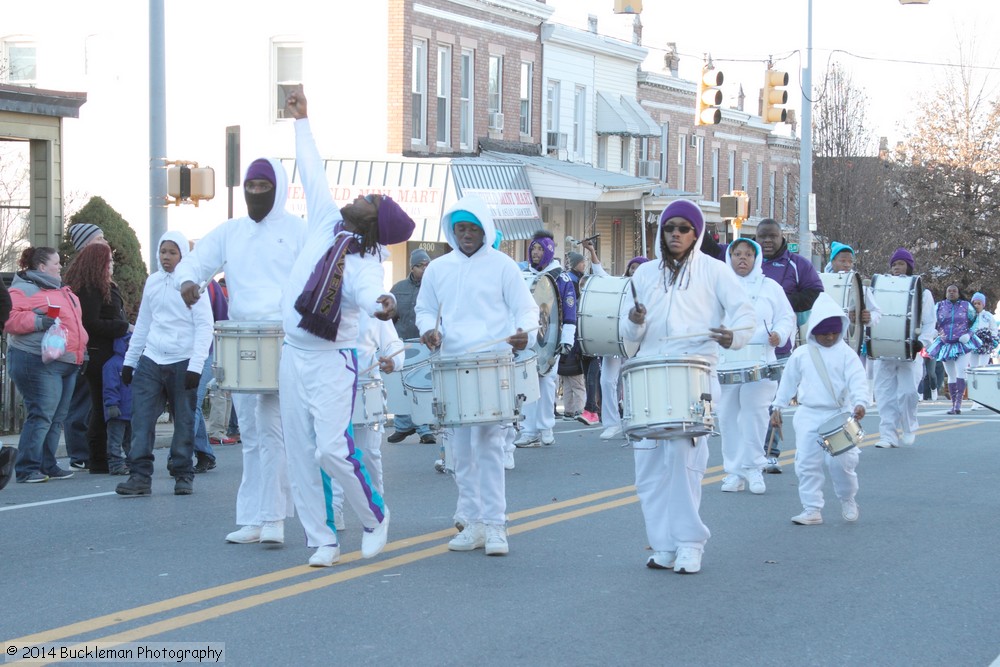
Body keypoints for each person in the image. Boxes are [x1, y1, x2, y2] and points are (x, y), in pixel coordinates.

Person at [281, 87, 412, 566]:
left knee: (332, 451)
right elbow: (311, 169)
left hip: (332, 360)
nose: (359, 197)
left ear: (374, 225)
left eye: (369, 200)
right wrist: (302, 121)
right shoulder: (324, 222)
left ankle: (375, 517)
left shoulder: (365, 264)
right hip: (291, 353)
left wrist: (384, 306)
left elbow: (372, 296)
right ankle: (323, 540)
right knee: (299, 452)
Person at [176, 155, 307, 544]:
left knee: (272, 431)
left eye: (263, 187)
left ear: (278, 189)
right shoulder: (230, 230)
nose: (255, 193)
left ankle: (274, 518)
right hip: (241, 341)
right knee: (251, 432)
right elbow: (196, 261)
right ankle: (254, 516)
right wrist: (188, 280)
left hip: (283, 340)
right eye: (250, 187)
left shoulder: (298, 230)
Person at [623, 200, 755, 574]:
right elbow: (626, 334)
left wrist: (734, 336)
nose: (675, 234)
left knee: (684, 462)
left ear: (696, 233)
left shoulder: (715, 272)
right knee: (648, 468)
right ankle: (663, 545)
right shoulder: (644, 275)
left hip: (693, 374)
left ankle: (689, 543)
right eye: (669, 228)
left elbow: (745, 315)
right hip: (647, 374)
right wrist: (633, 323)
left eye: (683, 228)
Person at [417, 195, 538, 556]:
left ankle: (496, 525)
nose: (467, 234)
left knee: (489, 447)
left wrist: (523, 334)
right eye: (460, 228)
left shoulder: (503, 266)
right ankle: (472, 522)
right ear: (452, 231)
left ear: (485, 230)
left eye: (473, 228)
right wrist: (428, 331)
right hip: (453, 365)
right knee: (461, 451)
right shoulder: (438, 269)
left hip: (492, 364)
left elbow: (527, 310)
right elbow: (425, 309)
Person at [116, 231, 213, 496]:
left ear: (182, 255)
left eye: (172, 252)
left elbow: (205, 326)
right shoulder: (153, 282)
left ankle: (183, 473)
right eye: (163, 252)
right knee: (141, 419)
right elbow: (144, 323)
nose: (166, 257)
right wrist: (130, 361)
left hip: (183, 359)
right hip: (152, 359)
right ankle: (139, 476)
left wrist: (195, 366)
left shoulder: (194, 286)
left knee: (183, 419)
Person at [770, 293, 868, 525]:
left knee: (842, 463)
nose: (830, 337)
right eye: (825, 333)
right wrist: (777, 406)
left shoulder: (847, 354)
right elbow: (788, 382)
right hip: (808, 414)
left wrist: (860, 403)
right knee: (806, 462)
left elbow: (857, 381)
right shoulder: (802, 354)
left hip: (839, 414)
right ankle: (811, 508)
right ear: (814, 330)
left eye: (834, 332)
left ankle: (847, 498)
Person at [717, 239, 795, 495]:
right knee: (728, 417)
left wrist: (780, 335)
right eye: (737, 253)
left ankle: (753, 468)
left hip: (761, 360)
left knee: (755, 416)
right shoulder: (718, 285)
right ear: (729, 257)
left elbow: (786, 316)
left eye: (748, 254)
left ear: (756, 258)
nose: (742, 258)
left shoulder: (770, 287)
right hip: (726, 361)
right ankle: (733, 472)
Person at [6, 247, 88, 483]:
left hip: (66, 362)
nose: (60, 267)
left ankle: (47, 464)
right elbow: (10, 319)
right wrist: (40, 321)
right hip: (35, 360)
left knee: (55, 417)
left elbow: (75, 326)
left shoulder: (62, 290)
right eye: (56, 262)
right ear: (42, 267)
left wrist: (81, 351)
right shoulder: (23, 288)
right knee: (42, 414)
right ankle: (27, 468)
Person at [755, 218, 824, 473]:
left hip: (780, 350)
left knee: (774, 402)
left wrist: (783, 303)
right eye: (762, 236)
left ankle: (770, 453)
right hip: (748, 350)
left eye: (772, 236)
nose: (767, 241)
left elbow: (815, 291)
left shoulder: (797, 265)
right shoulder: (747, 261)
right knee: (751, 407)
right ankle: (748, 454)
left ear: (782, 237)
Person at [332, 312, 405, 531]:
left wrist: (394, 359)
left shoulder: (372, 307)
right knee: (333, 451)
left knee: (369, 452)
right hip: (332, 385)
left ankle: (377, 508)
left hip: (367, 385)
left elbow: (391, 341)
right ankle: (334, 509)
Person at [64, 242, 131, 475]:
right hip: (98, 354)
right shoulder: (90, 288)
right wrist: (123, 327)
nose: (112, 264)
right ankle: (100, 458)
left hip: (108, 353)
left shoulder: (102, 286)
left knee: (103, 407)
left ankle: (102, 457)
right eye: (109, 261)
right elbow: (89, 323)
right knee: (103, 407)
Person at [515, 230, 576, 448]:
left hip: (552, 338)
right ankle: (529, 430)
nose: (536, 253)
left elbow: (569, 311)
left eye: (540, 249)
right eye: (533, 249)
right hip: (530, 339)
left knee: (548, 381)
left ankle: (546, 426)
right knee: (528, 383)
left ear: (549, 251)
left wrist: (567, 338)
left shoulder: (561, 277)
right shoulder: (523, 275)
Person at [872, 247, 936, 446]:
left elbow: (929, 322)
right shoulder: (880, 288)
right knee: (884, 395)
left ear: (909, 267)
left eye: (900, 264)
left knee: (908, 393)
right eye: (894, 265)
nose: (896, 268)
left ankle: (909, 427)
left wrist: (922, 342)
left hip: (910, 350)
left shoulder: (922, 293)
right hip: (884, 351)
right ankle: (888, 435)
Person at [64, 223, 107, 471]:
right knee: (81, 402)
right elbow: (89, 320)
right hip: (84, 348)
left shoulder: (85, 276)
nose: (105, 241)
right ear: (86, 245)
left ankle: (83, 451)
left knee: (87, 402)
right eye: (99, 238)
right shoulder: (85, 281)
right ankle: (79, 453)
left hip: (86, 348)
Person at [386, 248, 435, 445]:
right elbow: (389, 317)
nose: (424, 269)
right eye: (420, 265)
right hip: (402, 344)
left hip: (424, 345)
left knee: (421, 386)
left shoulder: (434, 288)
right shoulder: (397, 289)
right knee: (399, 387)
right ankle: (402, 426)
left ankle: (424, 429)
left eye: (427, 265)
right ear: (411, 267)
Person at [598, 255, 647, 440]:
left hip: (636, 343)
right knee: (606, 381)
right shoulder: (618, 284)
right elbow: (600, 276)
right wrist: (594, 254)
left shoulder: (647, 289)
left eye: (638, 268)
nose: (634, 271)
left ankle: (633, 420)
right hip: (613, 339)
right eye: (632, 267)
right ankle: (612, 423)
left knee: (632, 382)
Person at [192, 268, 229, 473]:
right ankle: (204, 452)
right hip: (180, 352)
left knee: (192, 402)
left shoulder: (211, 286)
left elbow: (223, 321)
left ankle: (179, 455)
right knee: (190, 403)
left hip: (206, 352)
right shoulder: (169, 283)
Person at [926, 284, 980, 415]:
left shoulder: (966, 306)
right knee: (950, 374)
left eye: (954, 291)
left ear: (958, 293)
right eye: (949, 291)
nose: (951, 293)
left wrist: (969, 335)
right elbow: (932, 321)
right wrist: (932, 331)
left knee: (961, 371)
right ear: (945, 293)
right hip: (945, 343)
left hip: (962, 343)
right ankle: (953, 403)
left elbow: (975, 322)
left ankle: (958, 404)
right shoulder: (939, 306)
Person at [557, 251, 587, 421]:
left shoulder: (566, 278)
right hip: (572, 333)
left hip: (564, 334)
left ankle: (569, 409)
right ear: (576, 264)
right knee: (576, 381)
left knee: (567, 381)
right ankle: (580, 409)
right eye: (582, 263)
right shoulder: (573, 281)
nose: (584, 266)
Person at [102, 333, 133, 475]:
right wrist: (111, 404)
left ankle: (131, 463)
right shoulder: (113, 364)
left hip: (131, 412)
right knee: (115, 442)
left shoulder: (134, 363)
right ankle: (115, 465)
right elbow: (109, 387)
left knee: (130, 442)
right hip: (118, 412)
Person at [968, 292, 997, 371]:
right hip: (972, 343)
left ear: (983, 305)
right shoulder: (969, 316)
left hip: (985, 344)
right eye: (975, 303)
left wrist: (992, 339)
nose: (976, 305)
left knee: (983, 366)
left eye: (979, 303)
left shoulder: (988, 315)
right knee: (973, 366)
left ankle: (982, 381)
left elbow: (993, 328)